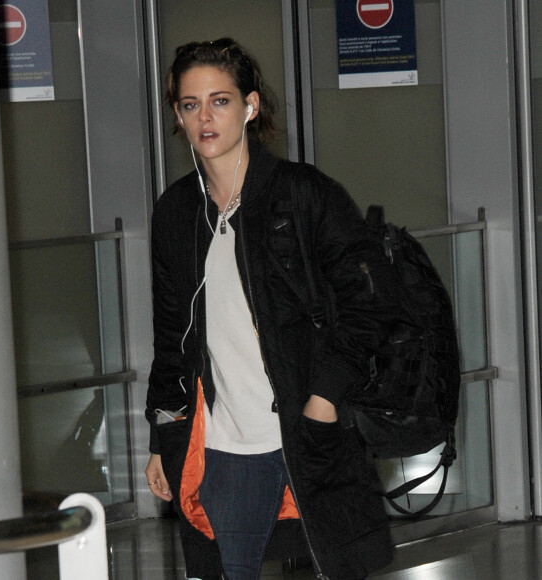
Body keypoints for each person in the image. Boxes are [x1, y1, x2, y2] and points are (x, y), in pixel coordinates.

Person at [145, 37, 393, 580]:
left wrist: (324, 402)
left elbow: (368, 305)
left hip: (310, 432)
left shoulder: (303, 195)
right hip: (225, 446)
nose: (205, 117)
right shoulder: (177, 212)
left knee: (331, 567)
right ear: (179, 116)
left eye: (221, 100)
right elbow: (172, 340)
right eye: (191, 105)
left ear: (250, 106)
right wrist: (163, 438)